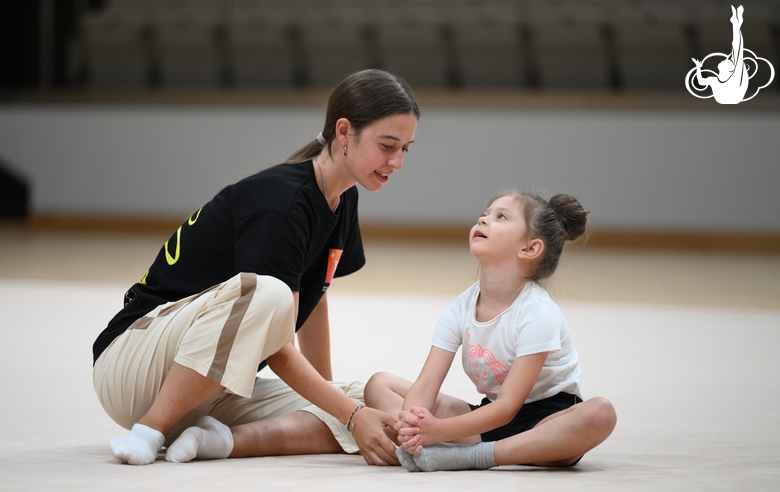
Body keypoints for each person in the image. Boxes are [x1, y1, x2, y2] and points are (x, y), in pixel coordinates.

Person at [92, 69, 419, 466]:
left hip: (209, 386)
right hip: (131, 366)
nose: (397, 161)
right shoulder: (280, 202)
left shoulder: (343, 199)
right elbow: (277, 337)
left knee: (355, 402)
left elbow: (315, 303)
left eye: (406, 148)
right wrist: (347, 416)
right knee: (272, 296)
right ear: (345, 132)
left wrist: (334, 404)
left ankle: (219, 441)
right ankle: (150, 430)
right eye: (388, 145)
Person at [364, 190, 617, 472]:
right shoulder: (462, 306)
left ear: (530, 248)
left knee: (600, 413)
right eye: (484, 214)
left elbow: (508, 406)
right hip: (487, 420)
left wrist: (440, 431)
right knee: (380, 384)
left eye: (500, 217)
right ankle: (445, 447)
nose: (483, 220)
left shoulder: (537, 313)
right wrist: (414, 425)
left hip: (545, 425)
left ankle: (472, 456)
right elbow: (425, 386)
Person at [692, 5, 748, 104]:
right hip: (725, 100)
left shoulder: (734, 78)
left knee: (737, 52)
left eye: (727, 61)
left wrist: (736, 26)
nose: (725, 59)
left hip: (732, 99)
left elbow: (737, 48)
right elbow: (701, 81)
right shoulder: (714, 80)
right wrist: (698, 67)